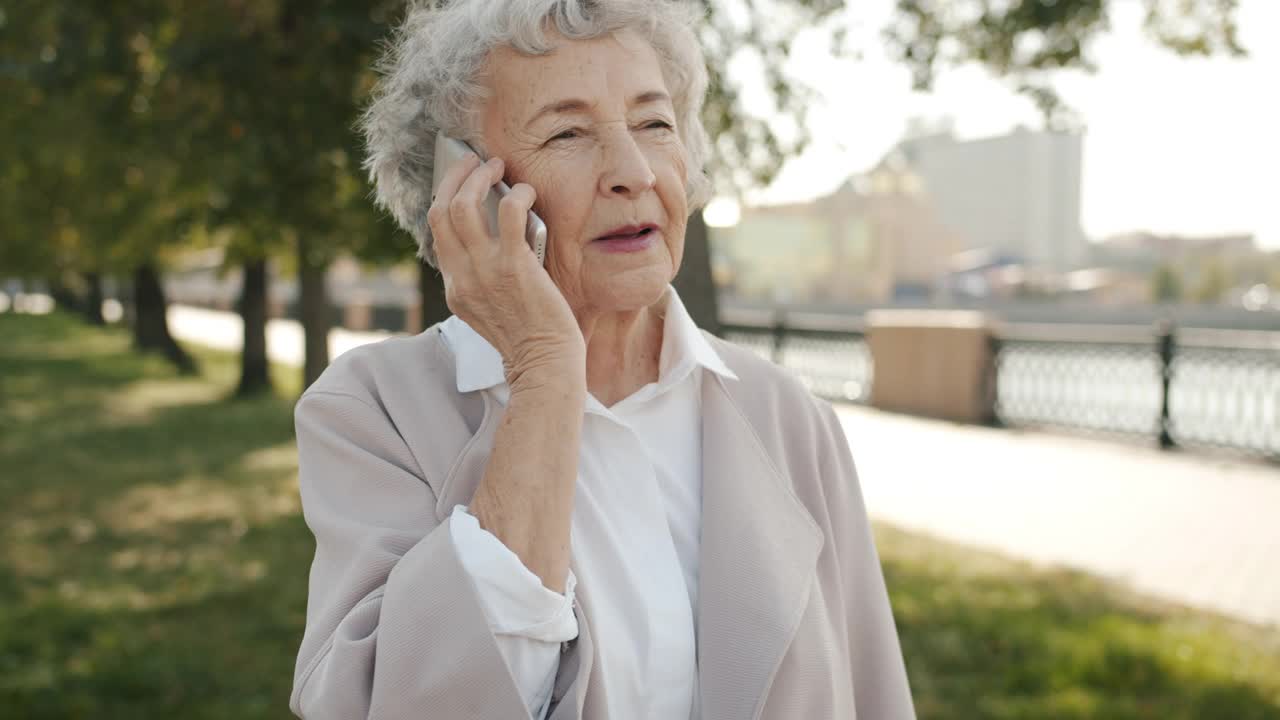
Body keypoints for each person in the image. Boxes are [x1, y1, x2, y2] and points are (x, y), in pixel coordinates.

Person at [289, 1, 915, 718]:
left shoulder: (787, 416)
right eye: (568, 132)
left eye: (655, 124)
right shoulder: (373, 412)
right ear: (460, 190)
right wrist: (546, 372)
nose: (632, 171)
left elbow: (874, 693)